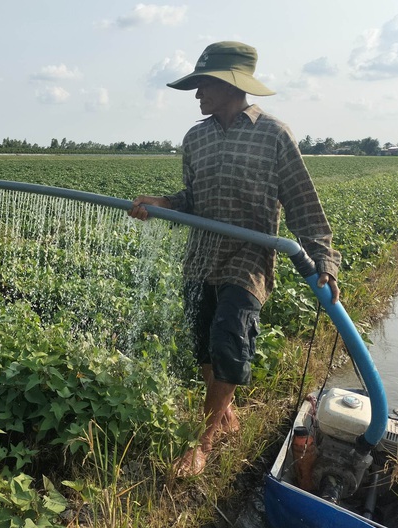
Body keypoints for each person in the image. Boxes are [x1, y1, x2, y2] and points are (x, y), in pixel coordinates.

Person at [128, 41, 341, 477]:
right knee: (204, 345)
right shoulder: (196, 138)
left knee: (228, 337)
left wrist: (324, 259)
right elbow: (192, 198)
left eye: (203, 83)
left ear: (230, 85)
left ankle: (201, 444)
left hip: (249, 257)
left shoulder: (273, 135)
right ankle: (225, 414)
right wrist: (163, 202)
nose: (197, 94)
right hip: (202, 255)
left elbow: (302, 204)